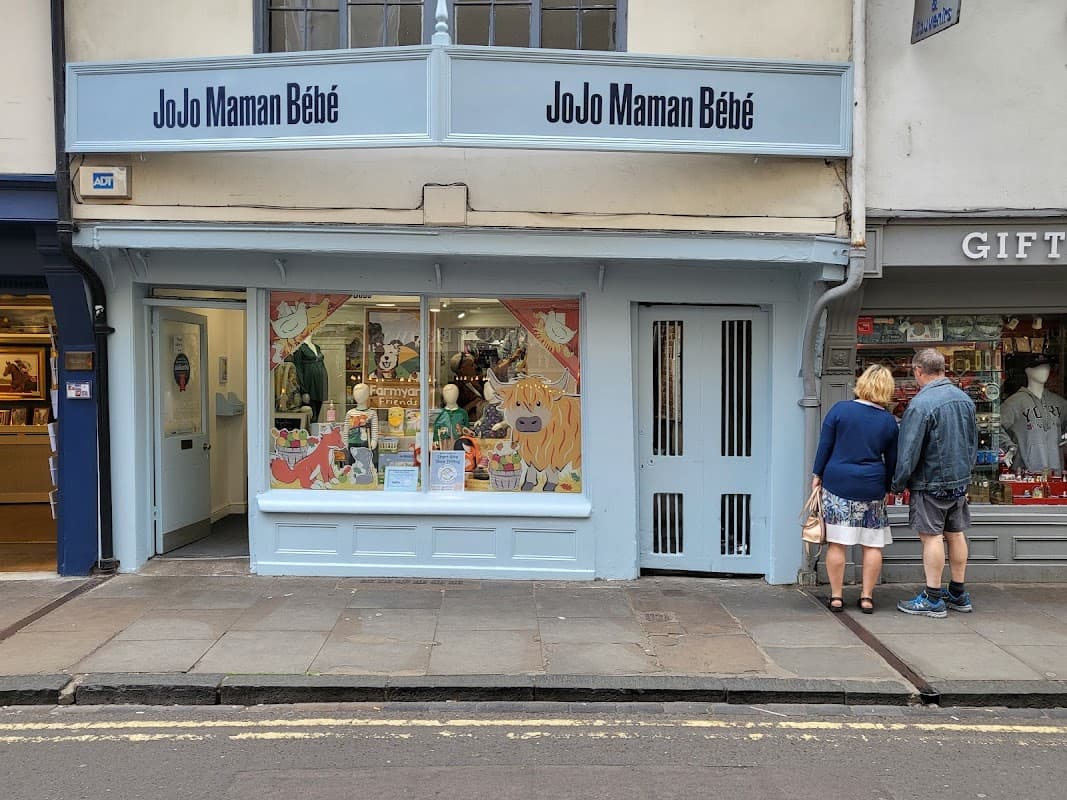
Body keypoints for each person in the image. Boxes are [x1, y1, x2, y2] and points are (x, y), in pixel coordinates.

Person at [892, 348, 979, 618]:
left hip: (930, 481)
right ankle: (958, 592)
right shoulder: (964, 399)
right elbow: (973, 443)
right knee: (955, 533)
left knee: (931, 538)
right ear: (943, 368)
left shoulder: (921, 404)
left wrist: (898, 483)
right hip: (959, 480)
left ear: (918, 371)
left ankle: (932, 597)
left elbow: (908, 452)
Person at [812, 365, 899, 614]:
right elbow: (892, 460)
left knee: (837, 544)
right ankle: (867, 597)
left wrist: (817, 475)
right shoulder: (888, 422)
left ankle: (836, 597)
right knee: (872, 545)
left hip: (838, 483)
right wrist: (887, 487)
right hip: (872, 485)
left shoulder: (840, 410)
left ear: (861, 383)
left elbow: (824, 446)